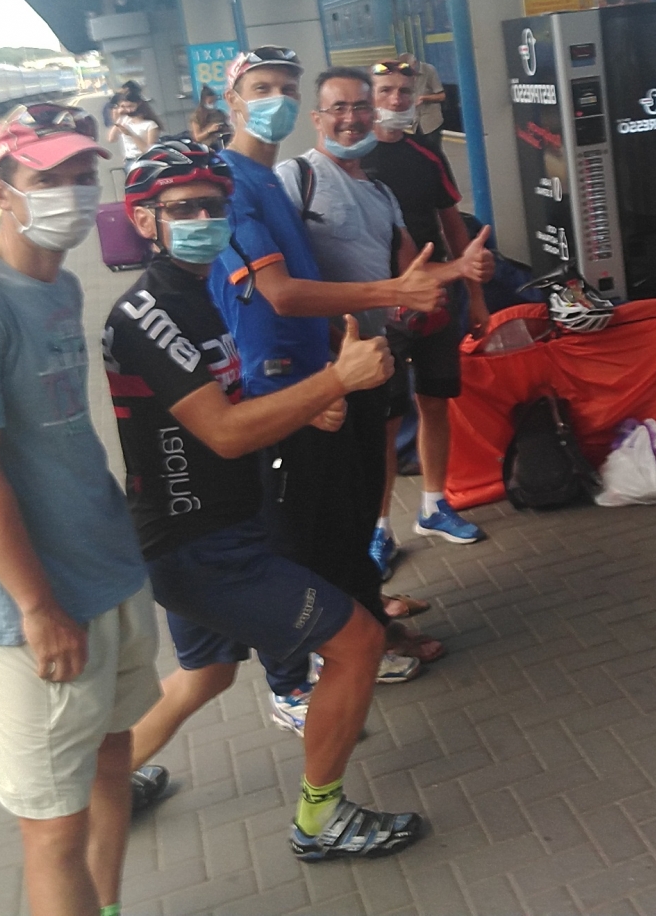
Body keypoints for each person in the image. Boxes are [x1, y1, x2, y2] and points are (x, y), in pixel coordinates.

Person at [104, 139, 425, 862]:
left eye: (213, 206)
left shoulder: (196, 293)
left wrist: (305, 407)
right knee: (358, 642)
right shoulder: (150, 313)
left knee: (206, 674)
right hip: (204, 544)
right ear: (144, 221)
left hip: (206, 530)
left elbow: (225, 403)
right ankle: (321, 821)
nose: (203, 220)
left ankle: (106, 784)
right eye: (182, 209)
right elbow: (222, 434)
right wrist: (335, 381)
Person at [0, 108, 159, 916]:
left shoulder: (60, 285)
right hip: (38, 609)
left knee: (113, 759)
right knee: (52, 828)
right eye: (48, 178)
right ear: (1, 192)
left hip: (108, 574)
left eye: (83, 176)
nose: (72, 193)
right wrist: (38, 607)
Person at [211, 46, 449, 733]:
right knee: (297, 536)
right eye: (262, 88)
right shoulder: (233, 183)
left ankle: (367, 630)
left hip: (323, 376)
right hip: (278, 389)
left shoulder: (264, 178)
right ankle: (295, 681)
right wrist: (391, 291)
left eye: (285, 87)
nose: (276, 100)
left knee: (342, 521)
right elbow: (281, 294)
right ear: (233, 100)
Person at [273, 68, 494, 659]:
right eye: (338, 108)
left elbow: (409, 275)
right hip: (328, 371)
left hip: (377, 362)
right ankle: (343, 647)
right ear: (317, 118)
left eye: (360, 107)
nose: (352, 118)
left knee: (363, 491)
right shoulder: (294, 179)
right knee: (334, 507)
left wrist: (462, 271)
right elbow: (278, 287)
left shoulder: (381, 191)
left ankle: (375, 622)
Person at [363, 59, 491, 572]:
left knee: (435, 402)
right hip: (382, 307)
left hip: (437, 299)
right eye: (385, 91)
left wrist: (476, 297)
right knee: (386, 419)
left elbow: (453, 227)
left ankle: (434, 506)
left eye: (403, 90)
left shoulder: (426, 155)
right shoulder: (350, 160)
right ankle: (378, 528)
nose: (395, 99)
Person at [107, 96, 162, 163]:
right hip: (130, 159)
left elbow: (149, 151)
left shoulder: (150, 125)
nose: (128, 110)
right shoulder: (124, 120)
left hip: (144, 159)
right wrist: (117, 120)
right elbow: (112, 139)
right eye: (123, 106)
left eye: (130, 106)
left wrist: (131, 134)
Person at [188, 85, 231, 149]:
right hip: (208, 147)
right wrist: (209, 130)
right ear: (204, 101)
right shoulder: (197, 116)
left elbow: (229, 129)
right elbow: (197, 137)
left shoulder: (220, 113)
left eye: (214, 101)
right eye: (210, 102)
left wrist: (224, 128)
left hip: (223, 143)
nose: (212, 104)